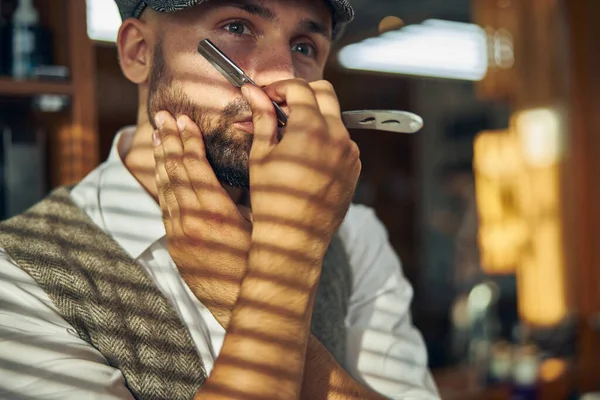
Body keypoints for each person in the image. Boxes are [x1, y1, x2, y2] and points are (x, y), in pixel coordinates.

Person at [0, 0, 440, 399]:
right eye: (236, 26)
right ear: (139, 52)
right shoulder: (19, 278)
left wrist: (248, 284)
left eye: (304, 47)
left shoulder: (354, 235)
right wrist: (286, 260)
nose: (280, 76)